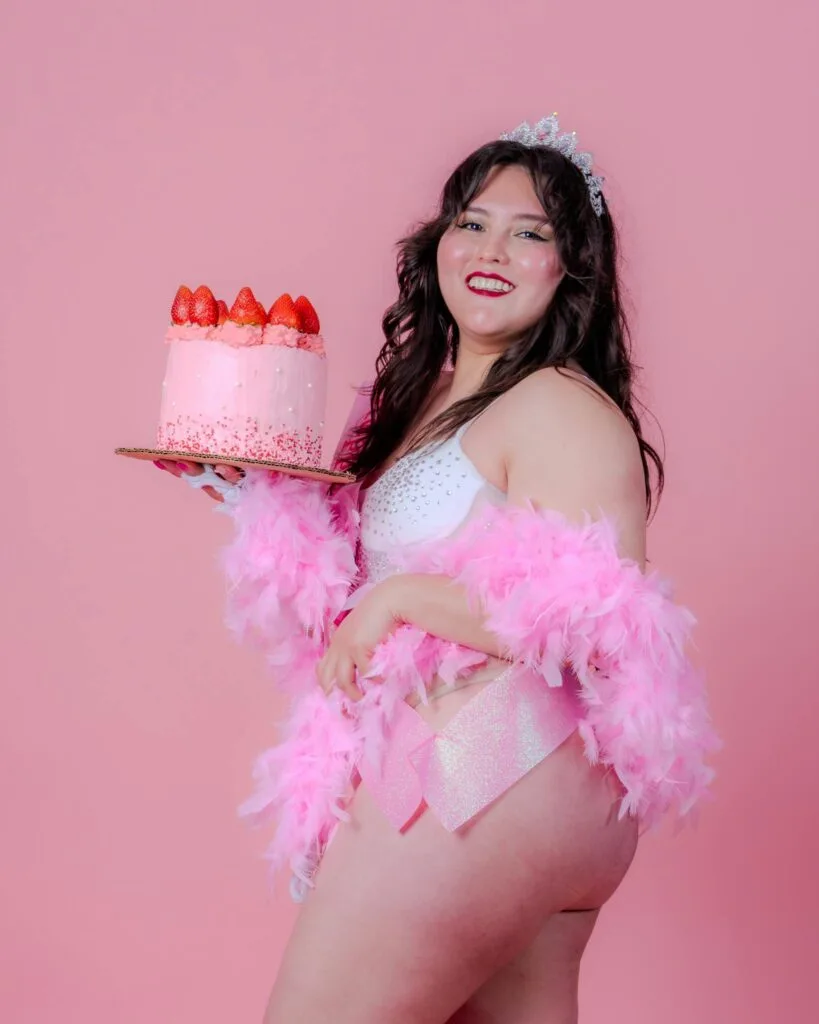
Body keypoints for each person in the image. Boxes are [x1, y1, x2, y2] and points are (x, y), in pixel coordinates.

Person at [155, 119, 689, 1023]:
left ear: (573, 268)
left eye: (531, 232)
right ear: (436, 242)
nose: (492, 249)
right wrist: (253, 498)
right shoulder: (431, 398)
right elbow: (344, 601)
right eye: (471, 222)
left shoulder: (556, 404)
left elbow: (595, 621)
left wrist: (402, 598)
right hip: (517, 784)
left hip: (492, 756)